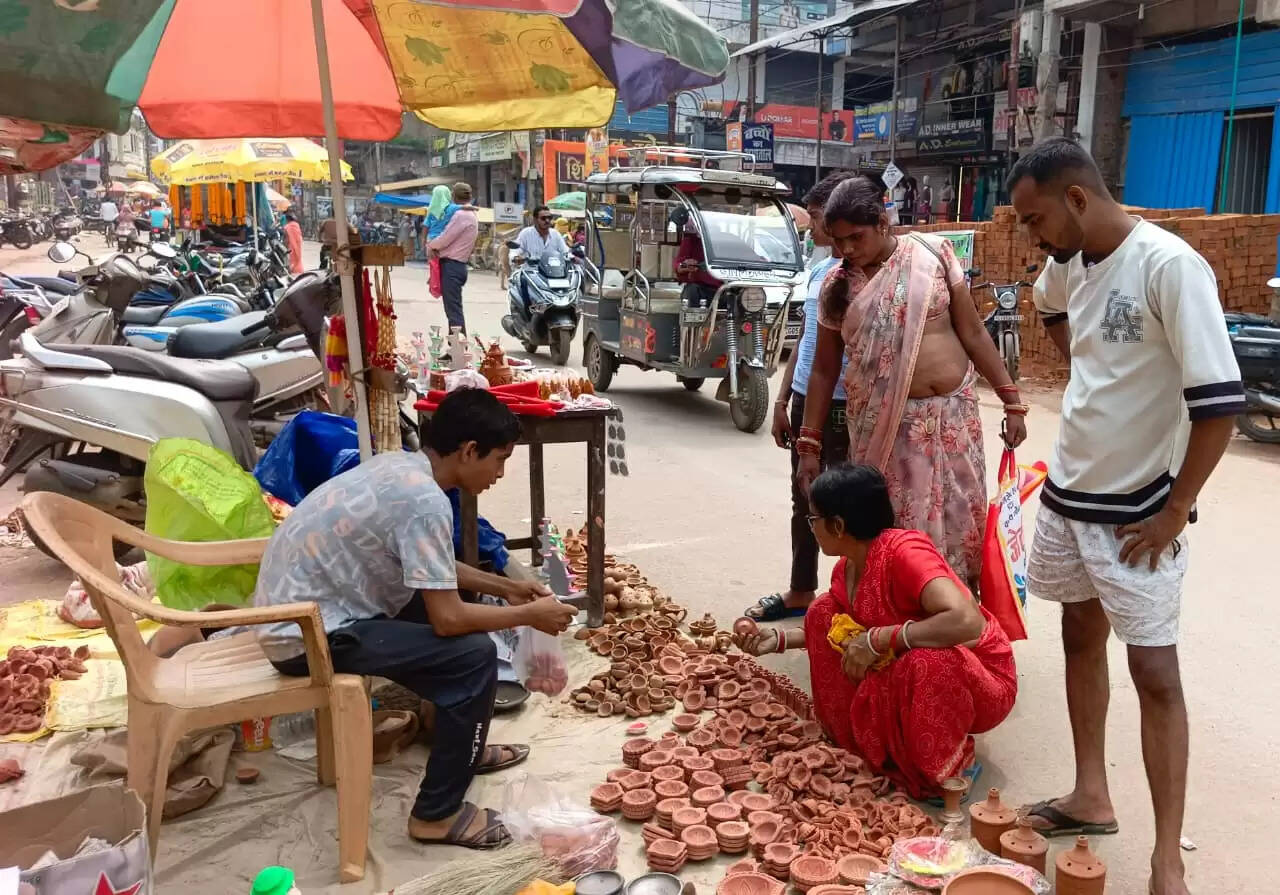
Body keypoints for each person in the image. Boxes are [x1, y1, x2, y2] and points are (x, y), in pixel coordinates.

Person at [1009, 138, 1244, 895]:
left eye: (1035, 217)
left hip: (1140, 509)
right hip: (1070, 492)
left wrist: (1177, 509)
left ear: (1077, 199)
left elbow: (1220, 406)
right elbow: (1048, 306)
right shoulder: (1070, 262)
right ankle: (1090, 793)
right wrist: (1088, 371)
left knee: (1155, 671)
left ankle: (1167, 860)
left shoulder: (1169, 267)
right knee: (1079, 635)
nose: (1030, 236)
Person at [254, 389, 576, 849]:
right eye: (499, 460)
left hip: (308, 611)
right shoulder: (424, 501)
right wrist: (531, 614)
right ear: (468, 451)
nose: (500, 474)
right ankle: (436, 815)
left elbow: (433, 570)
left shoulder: (403, 470)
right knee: (473, 655)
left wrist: (508, 588)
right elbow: (448, 621)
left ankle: (449, 738)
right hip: (304, 636)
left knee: (455, 604)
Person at [795, 175, 1026, 592]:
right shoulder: (837, 287)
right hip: (889, 431)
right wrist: (808, 444)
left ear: (883, 222)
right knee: (898, 529)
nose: (846, 249)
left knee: (963, 520)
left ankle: (956, 617)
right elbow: (824, 370)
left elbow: (973, 332)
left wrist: (1012, 402)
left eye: (856, 237)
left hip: (955, 420)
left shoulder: (932, 254)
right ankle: (898, 622)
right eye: (838, 239)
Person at [735, 464, 1016, 799]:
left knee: (924, 662)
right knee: (821, 613)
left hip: (980, 675)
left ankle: (950, 767)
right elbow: (837, 632)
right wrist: (778, 640)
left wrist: (881, 639)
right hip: (914, 657)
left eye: (814, 520)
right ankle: (865, 746)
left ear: (838, 525)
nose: (812, 528)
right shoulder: (848, 568)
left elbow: (967, 621)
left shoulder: (905, 553)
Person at [745, 172, 853, 623]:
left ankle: (852, 596)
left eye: (815, 217)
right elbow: (807, 342)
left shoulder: (855, 273)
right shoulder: (817, 270)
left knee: (851, 505)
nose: (810, 226)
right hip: (805, 399)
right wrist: (780, 400)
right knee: (803, 496)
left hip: (846, 404)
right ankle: (801, 590)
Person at [428, 183, 479, 333]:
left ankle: (457, 349)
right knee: (453, 309)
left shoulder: (461, 215)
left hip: (452, 266)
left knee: (453, 311)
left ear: (454, 196)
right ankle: (455, 348)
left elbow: (445, 238)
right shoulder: (470, 214)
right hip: (458, 266)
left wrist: (431, 245)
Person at [672, 209, 722, 307]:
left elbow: (748, 255)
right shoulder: (691, 240)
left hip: (726, 289)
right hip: (700, 289)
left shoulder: (729, 239)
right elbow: (679, 263)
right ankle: (692, 322)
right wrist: (684, 265)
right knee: (691, 292)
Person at [282, 211, 304, 275]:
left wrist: (285, 245)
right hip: (298, 243)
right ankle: (299, 270)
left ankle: (293, 270)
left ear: (287, 219)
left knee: (292, 258)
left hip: (291, 245)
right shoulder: (296, 225)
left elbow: (286, 238)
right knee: (298, 257)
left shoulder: (287, 227)